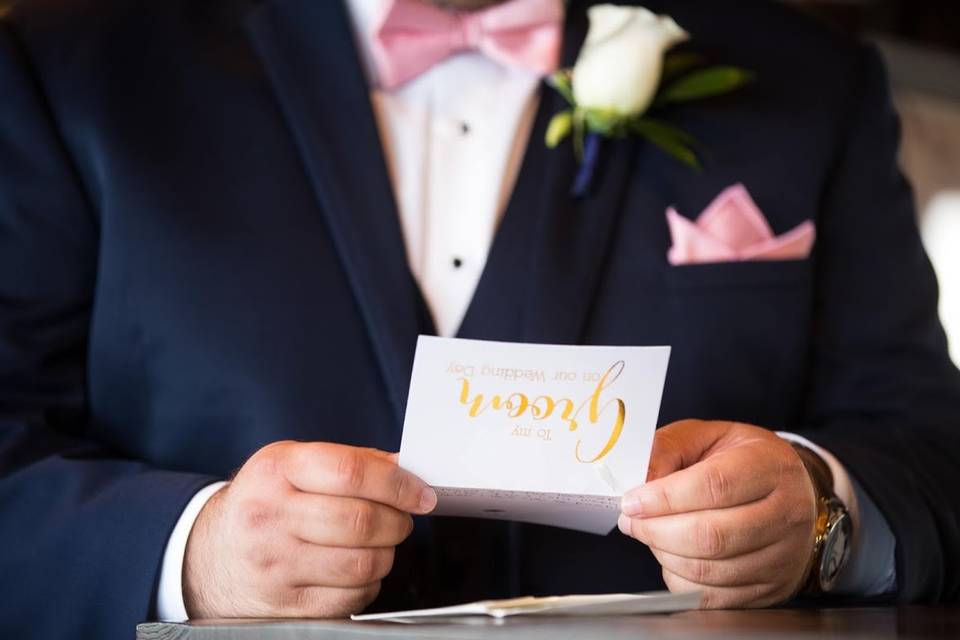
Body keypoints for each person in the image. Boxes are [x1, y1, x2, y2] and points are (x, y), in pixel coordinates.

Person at [1, 0, 959, 638]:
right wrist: (192, 554)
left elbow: (931, 447)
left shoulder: (807, 81)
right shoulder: (75, 65)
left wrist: (824, 509)